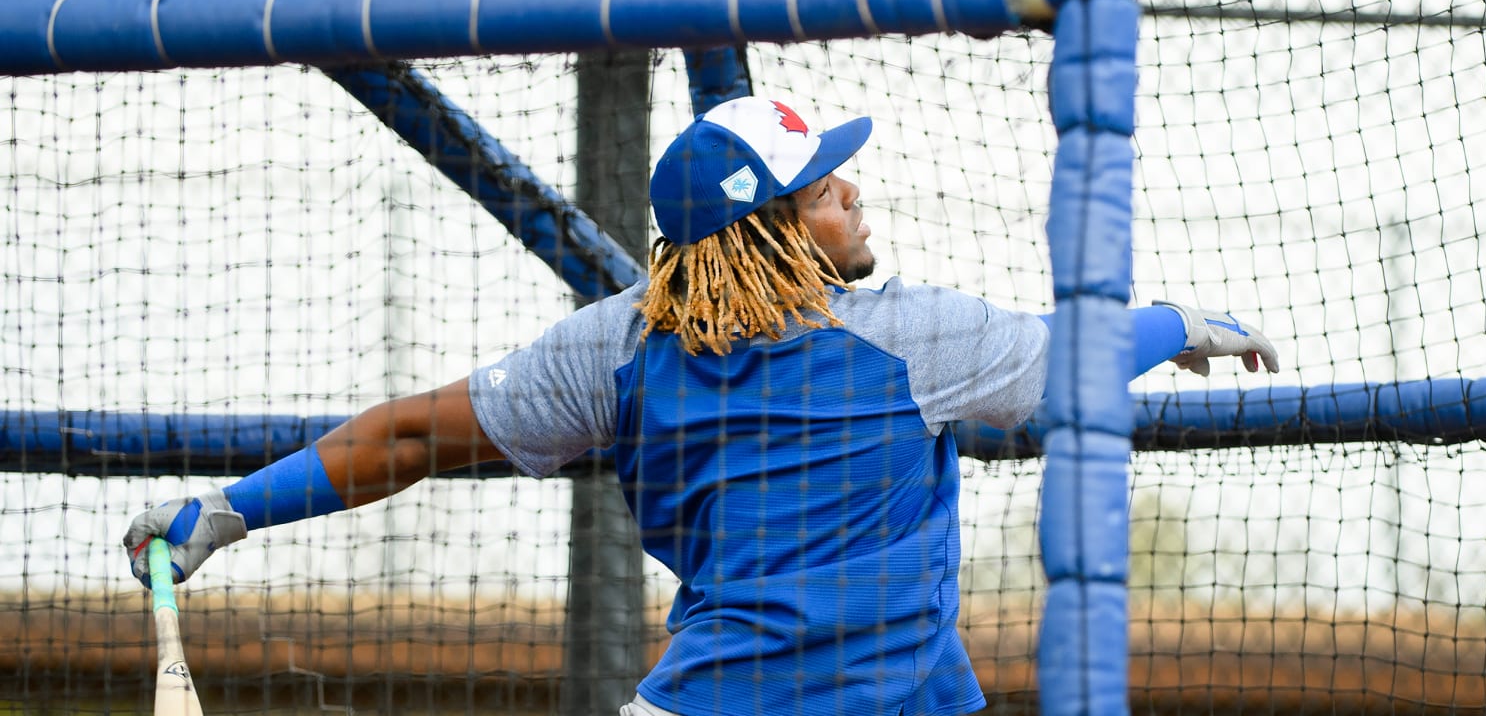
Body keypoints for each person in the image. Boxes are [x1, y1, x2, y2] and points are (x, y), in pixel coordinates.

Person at [124, 95, 1279, 715]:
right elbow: (1068, 355)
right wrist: (1175, 323)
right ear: (778, 230)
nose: (856, 195)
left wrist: (231, 507)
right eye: (829, 190)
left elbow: (413, 434)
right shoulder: (901, 336)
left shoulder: (619, 345)